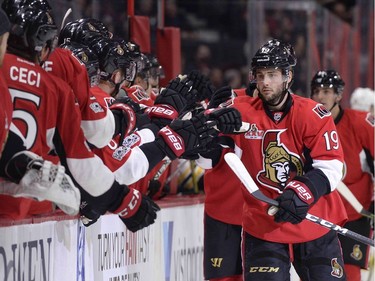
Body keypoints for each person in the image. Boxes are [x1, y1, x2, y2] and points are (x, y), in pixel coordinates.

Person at [0, 2, 159, 231]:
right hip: (33, 209)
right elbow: (88, 147)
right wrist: (122, 199)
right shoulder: (61, 76)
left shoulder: (9, 70)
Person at [200, 39, 348, 281]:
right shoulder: (239, 110)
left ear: (288, 76)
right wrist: (208, 133)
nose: (265, 82)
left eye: (272, 75)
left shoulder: (313, 114)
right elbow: (209, 160)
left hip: (315, 225)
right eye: (260, 75)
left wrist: (302, 193)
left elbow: (331, 166)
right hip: (264, 226)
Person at [311, 70, 374, 281]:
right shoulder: (305, 122)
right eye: (317, 91)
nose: (321, 97)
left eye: (327, 91)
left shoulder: (360, 123)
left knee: (350, 272)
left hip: (355, 214)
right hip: (319, 214)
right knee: (314, 271)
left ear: (338, 96)